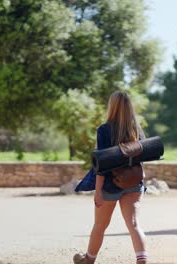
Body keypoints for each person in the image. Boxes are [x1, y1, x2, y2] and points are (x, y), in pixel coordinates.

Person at [73, 90, 148, 264]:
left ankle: (88, 261)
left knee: (100, 226)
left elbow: (102, 165)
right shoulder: (136, 130)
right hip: (134, 182)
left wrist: (98, 191)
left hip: (109, 185)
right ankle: (142, 260)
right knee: (134, 224)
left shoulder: (104, 130)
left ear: (112, 107)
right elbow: (142, 159)